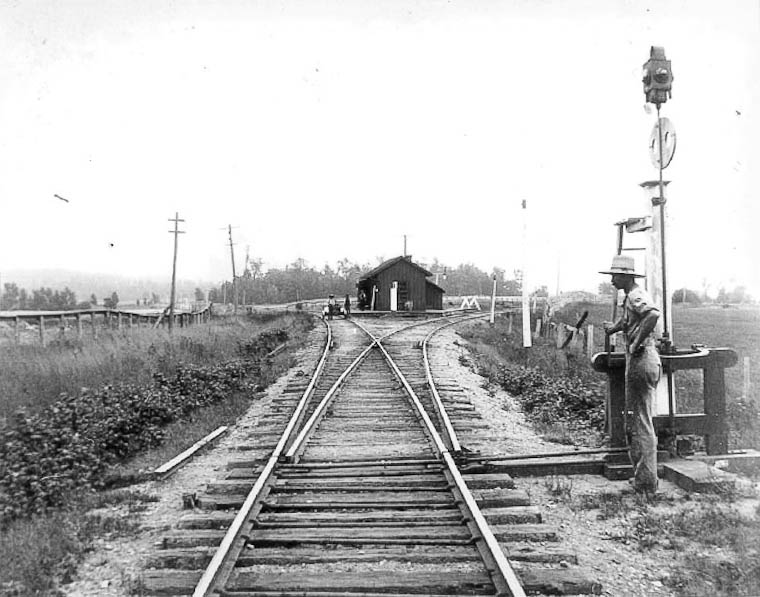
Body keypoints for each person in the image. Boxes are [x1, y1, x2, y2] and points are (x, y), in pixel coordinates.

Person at [600, 254, 661, 495]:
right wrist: (613, 328)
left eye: (615, 276)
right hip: (640, 359)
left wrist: (635, 343)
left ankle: (646, 482)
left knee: (641, 422)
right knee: (637, 420)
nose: (612, 281)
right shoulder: (630, 297)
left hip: (641, 358)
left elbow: (652, 314)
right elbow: (629, 321)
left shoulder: (636, 295)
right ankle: (642, 477)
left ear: (625, 277)